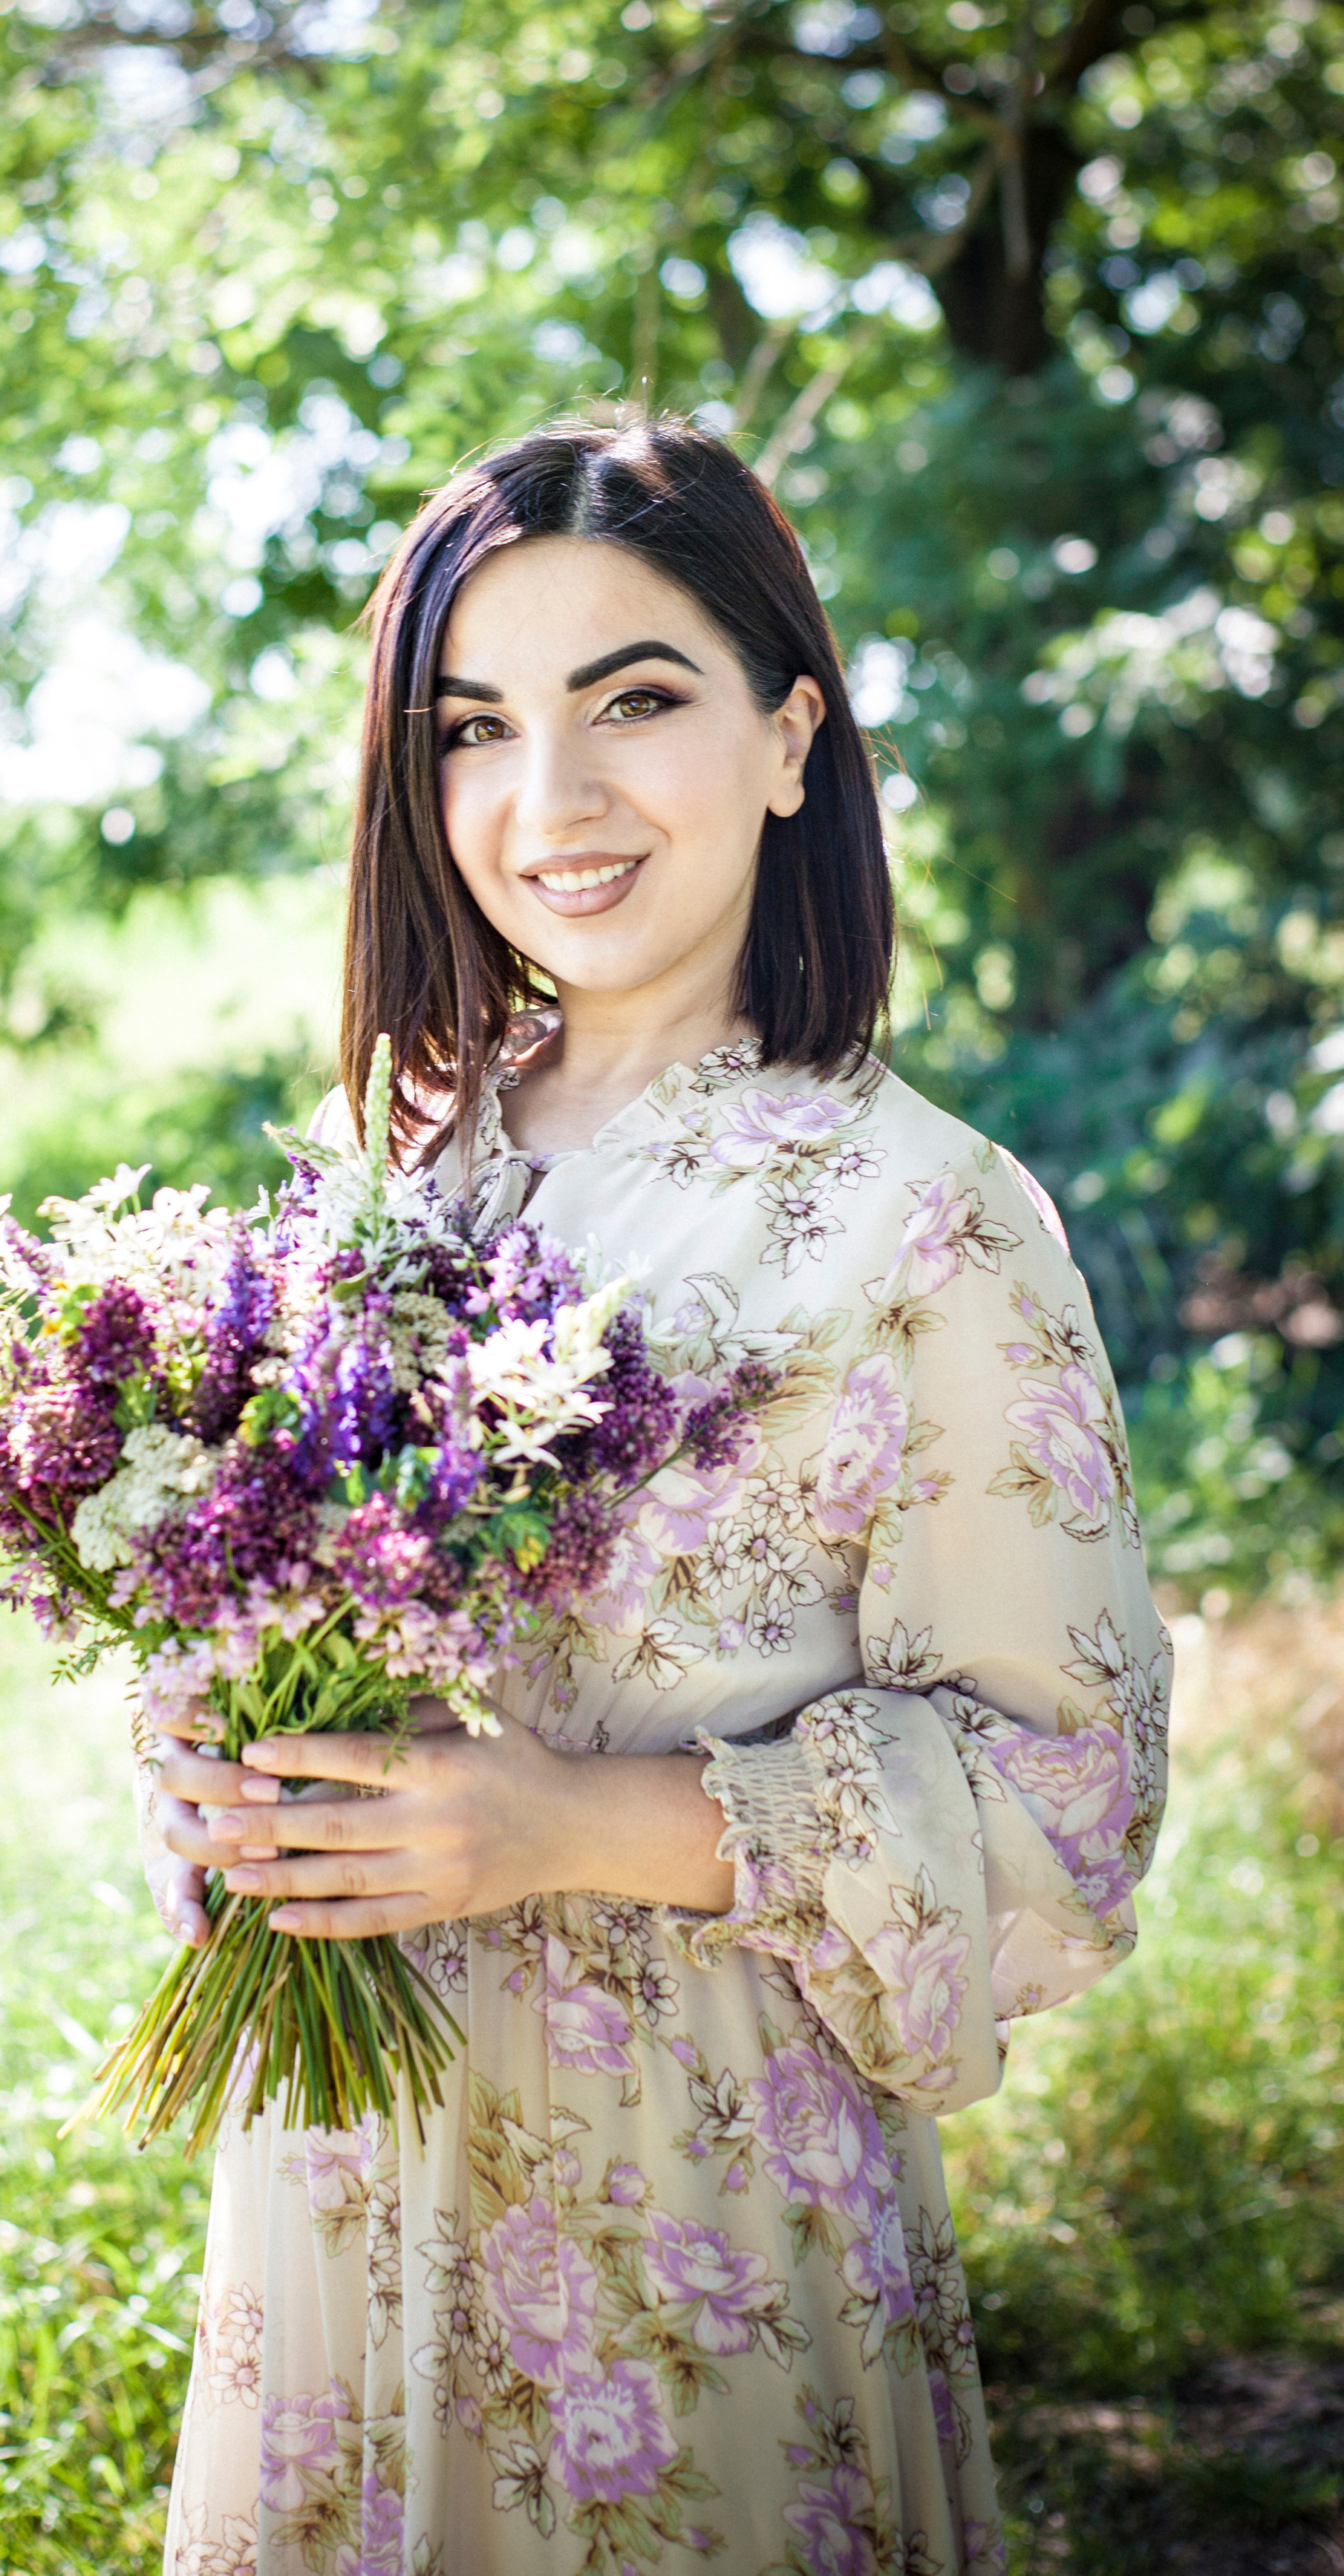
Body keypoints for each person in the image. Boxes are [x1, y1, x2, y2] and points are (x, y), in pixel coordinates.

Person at [143, 416, 1168, 2576]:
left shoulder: (928, 1224)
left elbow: (1070, 1807)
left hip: (692, 2233)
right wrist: (225, 1752)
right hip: (348, 2170)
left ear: (793, 735)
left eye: (638, 701)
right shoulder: (388, 1176)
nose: (552, 803)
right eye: (474, 728)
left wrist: (569, 1828)